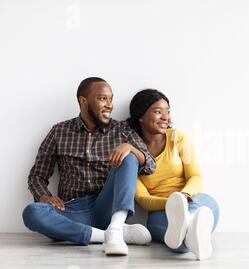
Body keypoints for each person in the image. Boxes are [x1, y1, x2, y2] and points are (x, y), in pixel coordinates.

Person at [22, 77, 155, 256]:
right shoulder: (59, 131)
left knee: (130, 157)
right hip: (72, 210)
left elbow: (150, 165)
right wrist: (45, 197)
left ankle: (115, 227)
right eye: (102, 99)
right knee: (32, 212)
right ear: (83, 101)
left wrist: (131, 148)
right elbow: (36, 176)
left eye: (111, 99)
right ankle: (108, 235)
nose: (109, 105)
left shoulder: (121, 130)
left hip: (106, 206)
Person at [128, 89, 219, 260]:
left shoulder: (178, 137)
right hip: (160, 211)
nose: (165, 117)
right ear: (140, 116)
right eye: (158, 112)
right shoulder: (134, 153)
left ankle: (190, 224)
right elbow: (142, 199)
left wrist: (184, 196)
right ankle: (194, 235)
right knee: (177, 238)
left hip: (193, 200)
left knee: (207, 206)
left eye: (167, 112)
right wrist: (172, 203)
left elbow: (195, 177)